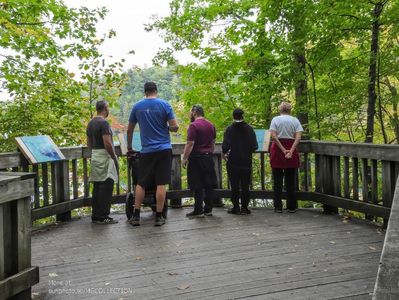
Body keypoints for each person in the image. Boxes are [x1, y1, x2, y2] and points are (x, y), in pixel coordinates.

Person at [127, 82, 179, 226]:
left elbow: (129, 130)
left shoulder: (137, 106)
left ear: (145, 92)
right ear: (156, 90)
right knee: (161, 183)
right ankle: (159, 216)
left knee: (141, 183)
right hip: (163, 149)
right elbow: (174, 127)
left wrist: (130, 147)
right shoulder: (165, 105)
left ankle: (136, 216)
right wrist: (169, 127)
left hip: (147, 150)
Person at [86, 100, 119, 224]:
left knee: (97, 186)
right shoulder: (104, 123)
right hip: (104, 156)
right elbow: (107, 143)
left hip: (95, 155)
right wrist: (113, 156)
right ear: (105, 108)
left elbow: (89, 144)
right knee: (106, 186)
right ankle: (103, 216)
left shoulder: (91, 123)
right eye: (108, 107)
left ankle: (95, 215)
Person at [182, 105, 217, 218]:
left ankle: (198, 210)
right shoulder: (211, 125)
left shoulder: (193, 126)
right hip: (208, 158)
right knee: (208, 184)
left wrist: (185, 158)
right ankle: (208, 209)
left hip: (197, 158)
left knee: (197, 184)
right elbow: (213, 142)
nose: (190, 114)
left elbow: (190, 143)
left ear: (194, 112)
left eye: (190, 112)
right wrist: (209, 153)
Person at [222, 108, 258, 215]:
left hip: (233, 162)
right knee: (245, 185)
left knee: (234, 185)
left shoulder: (229, 129)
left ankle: (236, 207)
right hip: (246, 162)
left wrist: (226, 153)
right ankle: (245, 208)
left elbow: (225, 147)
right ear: (243, 116)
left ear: (233, 116)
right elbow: (254, 146)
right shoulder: (249, 129)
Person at [269, 102, 303, 213]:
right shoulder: (295, 120)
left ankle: (278, 206)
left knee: (277, 181)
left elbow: (273, 136)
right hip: (291, 148)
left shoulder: (275, 120)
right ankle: (291, 206)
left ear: (280, 109)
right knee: (290, 180)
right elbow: (298, 138)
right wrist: (291, 150)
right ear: (290, 110)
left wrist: (283, 150)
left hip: (278, 150)